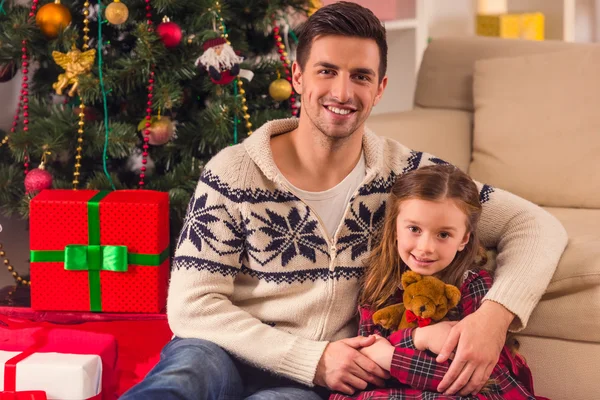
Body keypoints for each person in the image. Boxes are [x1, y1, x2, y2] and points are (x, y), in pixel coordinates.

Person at [121, 2, 567, 399]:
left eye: (360, 76)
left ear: (380, 88)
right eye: (327, 71)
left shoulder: (407, 176)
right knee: (179, 383)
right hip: (225, 348)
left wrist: (493, 319)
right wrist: (308, 357)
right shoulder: (234, 172)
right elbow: (191, 304)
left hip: (314, 382)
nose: (342, 92)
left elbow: (535, 225)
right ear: (297, 77)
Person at [329, 164, 546, 399]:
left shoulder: (473, 285)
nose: (426, 248)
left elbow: (467, 376)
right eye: (414, 229)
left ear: (463, 239)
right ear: (395, 229)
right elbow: (368, 356)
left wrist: (392, 357)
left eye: (443, 235)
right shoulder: (379, 282)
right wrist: (419, 339)